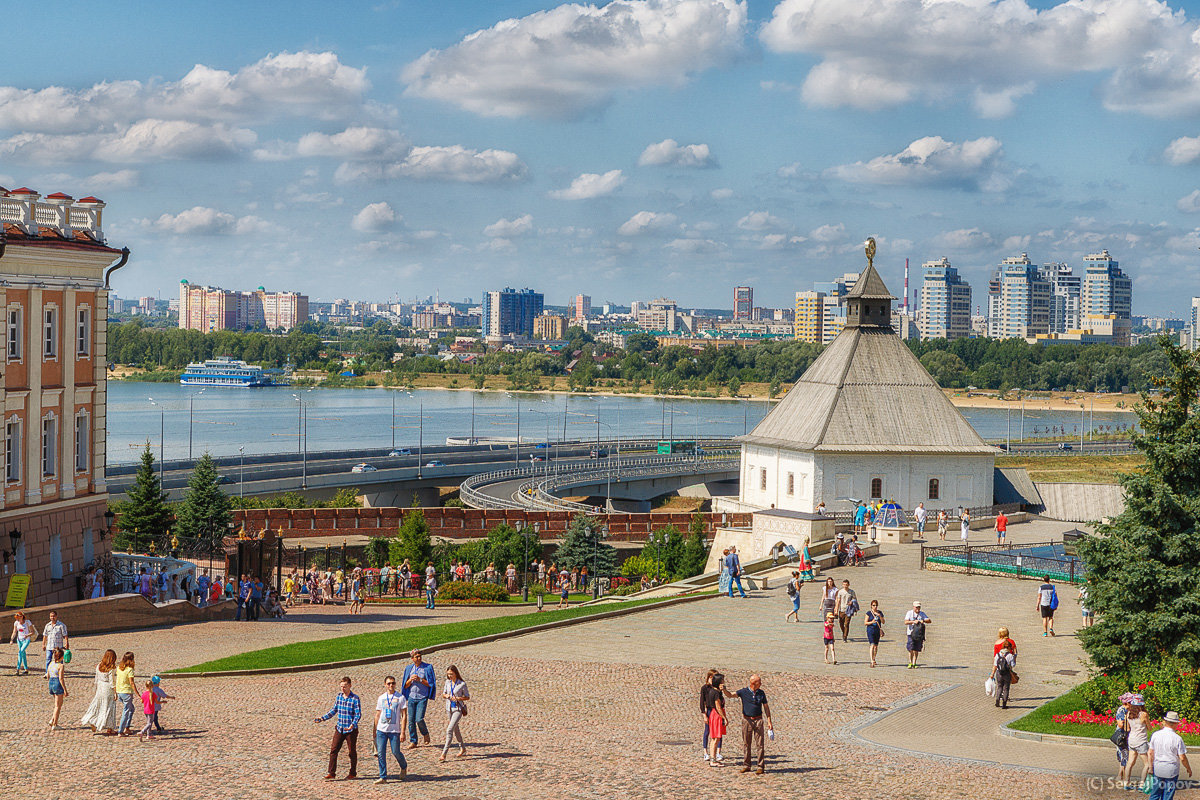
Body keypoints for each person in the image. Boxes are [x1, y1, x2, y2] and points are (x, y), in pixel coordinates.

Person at [315, 676, 361, 781]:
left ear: (350, 686)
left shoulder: (355, 698)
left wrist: (353, 724)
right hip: (340, 728)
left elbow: (358, 714)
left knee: (351, 751)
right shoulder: (339, 697)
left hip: (350, 730)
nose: (342, 689)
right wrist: (322, 718)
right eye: (341, 686)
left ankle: (353, 772)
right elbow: (334, 710)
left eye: (344, 686)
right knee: (333, 750)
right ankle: (331, 773)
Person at [1148, 711, 1191, 800]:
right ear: (1175, 724)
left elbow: (1150, 752)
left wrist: (1150, 767)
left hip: (1158, 767)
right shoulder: (1177, 738)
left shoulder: (1155, 735)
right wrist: (1188, 768)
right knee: (1167, 795)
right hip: (1171, 769)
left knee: (1155, 794)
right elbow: (1182, 757)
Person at [373, 675, 408, 784]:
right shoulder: (381, 698)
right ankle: (383, 776)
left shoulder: (400, 698)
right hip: (381, 730)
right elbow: (378, 714)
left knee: (395, 751)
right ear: (385, 685)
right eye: (388, 683)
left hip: (394, 731)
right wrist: (374, 729)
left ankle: (403, 766)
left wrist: (403, 732)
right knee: (381, 753)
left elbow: (404, 715)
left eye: (392, 683)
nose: (391, 685)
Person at [735, 675, 773, 775]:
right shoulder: (743, 692)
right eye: (759, 682)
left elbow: (766, 707)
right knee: (746, 743)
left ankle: (760, 766)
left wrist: (769, 721)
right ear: (753, 683)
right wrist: (724, 690)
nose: (761, 684)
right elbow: (731, 695)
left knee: (760, 744)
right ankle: (746, 765)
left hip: (758, 720)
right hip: (747, 720)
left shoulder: (761, 693)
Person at [80, 649, 118, 734]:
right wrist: (115, 692)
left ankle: (93, 720)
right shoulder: (111, 669)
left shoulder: (99, 666)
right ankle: (109, 728)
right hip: (107, 688)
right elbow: (112, 682)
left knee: (98, 705)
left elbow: (96, 678)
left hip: (100, 687)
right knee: (109, 708)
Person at [403, 649, 435, 748]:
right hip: (412, 696)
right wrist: (410, 680)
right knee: (411, 720)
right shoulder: (409, 668)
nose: (419, 658)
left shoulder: (427, 667)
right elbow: (405, 685)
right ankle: (413, 741)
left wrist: (420, 680)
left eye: (420, 656)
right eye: (416, 657)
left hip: (422, 697)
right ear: (412, 659)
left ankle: (425, 733)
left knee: (419, 719)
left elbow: (431, 684)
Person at [440, 664, 470, 762]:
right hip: (449, 708)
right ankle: (463, 747)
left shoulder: (462, 684)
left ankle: (444, 753)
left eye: (451, 674)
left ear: (456, 673)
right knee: (455, 729)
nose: (450, 676)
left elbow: (467, 697)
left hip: (458, 709)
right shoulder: (447, 682)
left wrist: (457, 698)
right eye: (448, 674)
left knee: (449, 730)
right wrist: (448, 696)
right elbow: (443, 694)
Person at [1127, 694, 1151, 790]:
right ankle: (1142, 784)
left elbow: (1128, 728)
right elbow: (1149, 728)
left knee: (1130, 762)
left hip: (1131, 740)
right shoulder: (1143, 715)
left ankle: (1126, 783)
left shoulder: (1128, 714)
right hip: (1141, 740)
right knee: (1147, 764)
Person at [706, 671, 728, 767]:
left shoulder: (712, 691)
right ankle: (713, 759)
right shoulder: (716, 693)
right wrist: (724, 717)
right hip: (716, 715)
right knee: (716, 738)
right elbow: (718, 706)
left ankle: (713, 758)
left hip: (713, 714)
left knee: (714, 738)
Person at [114, 651, 137, 736]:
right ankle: (121, 730)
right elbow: (132, 683)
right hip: (126, 693)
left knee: (131, 709)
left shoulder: (119, 668)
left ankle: (127, 727)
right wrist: (137, 694)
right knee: (126, 711)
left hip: (120, 692)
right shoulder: (130, 670)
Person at [904, 601, 931, 668]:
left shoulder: (922, 614)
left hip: (919, 634)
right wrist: (913, 621)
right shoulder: (909, 613)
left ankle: (914, 662)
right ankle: (910, 662)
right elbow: (906, 622)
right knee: (910, 648)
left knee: (916, 649)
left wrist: (923, 621)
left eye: (919, 607)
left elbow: (929, 620)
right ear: (913, 607)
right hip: (911, 633)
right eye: (916, 607)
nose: (918, 609)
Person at [700, 668, 719, 762]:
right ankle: (705, 752)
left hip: (716, 711)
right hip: (709, 711)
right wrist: (704, 714)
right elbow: (701, 702)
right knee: (707, 731)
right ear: (710, 677)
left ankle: (717, 752)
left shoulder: (717, 688)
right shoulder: (705, 688)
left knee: (718, 733)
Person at [46, 647, 68, 729]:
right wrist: (65, 690)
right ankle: (55, 724)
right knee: (57, 706)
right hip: (57, 684)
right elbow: (61, 679)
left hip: (51, 683)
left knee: (58, 704)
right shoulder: (61, 666)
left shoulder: (51, 664)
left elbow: (48, 676)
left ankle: (52, 719)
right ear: (61, 657)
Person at [41, 610, 68, 674]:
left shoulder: (61, 625)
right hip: (49, 646)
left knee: (59, 660)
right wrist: (43, 644)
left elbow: (65, 635)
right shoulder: (47, 625)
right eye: (51, 616)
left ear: (56, 616)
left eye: (53, 616)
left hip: (58, 646)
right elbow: (45, 635)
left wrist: (66, 643)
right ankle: (47, 673)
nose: (52, 617)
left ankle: (60, 672)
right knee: (48, 659)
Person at [1115, 692, 1133, 788]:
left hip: (1126, 735)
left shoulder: (1127, 710)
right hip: (1121, 736)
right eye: (1131, 702)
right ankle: (1121, 777)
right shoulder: (1121, 710)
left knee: (1124, 756)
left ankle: (1120, 776)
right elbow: (1120, 724)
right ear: (1127, 703)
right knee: (1124, 756)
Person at [990, 642, 1015, 709]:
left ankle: (997, 701)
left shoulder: (998, 655)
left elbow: (995, 665)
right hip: (1007, 673)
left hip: (999, 673)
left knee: (999, 686)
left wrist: (992, 674)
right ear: (1009, 648)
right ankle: (1004, 704)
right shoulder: (1010, 655)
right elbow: (1013, 665)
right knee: (1006, 688)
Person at [10, 611, 34, 675]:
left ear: (22, 616)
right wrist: (12, 639)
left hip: (26, 640)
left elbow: (32, 632)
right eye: (16, 618)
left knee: (20, 652)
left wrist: (27, 635)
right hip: (19, 640)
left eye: (18, 617)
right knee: (23, 653)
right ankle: (26, 669)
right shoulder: (16, 623)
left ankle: (17, 669)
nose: (17, 619)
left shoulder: (27, 622)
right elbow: (14, 632)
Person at [864, 600, 884, 668]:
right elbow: (865, 623)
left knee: (876, 646)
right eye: (873, 605)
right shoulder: (869, 613)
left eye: (876, 605)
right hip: (870, 630)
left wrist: (880, 616)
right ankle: (871, 660)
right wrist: (871, 622)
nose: (875, 607)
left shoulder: (880, 612)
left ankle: (874, 658)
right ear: (871, 606)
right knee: (872, 645)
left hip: (877, 631)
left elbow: (883, 622)